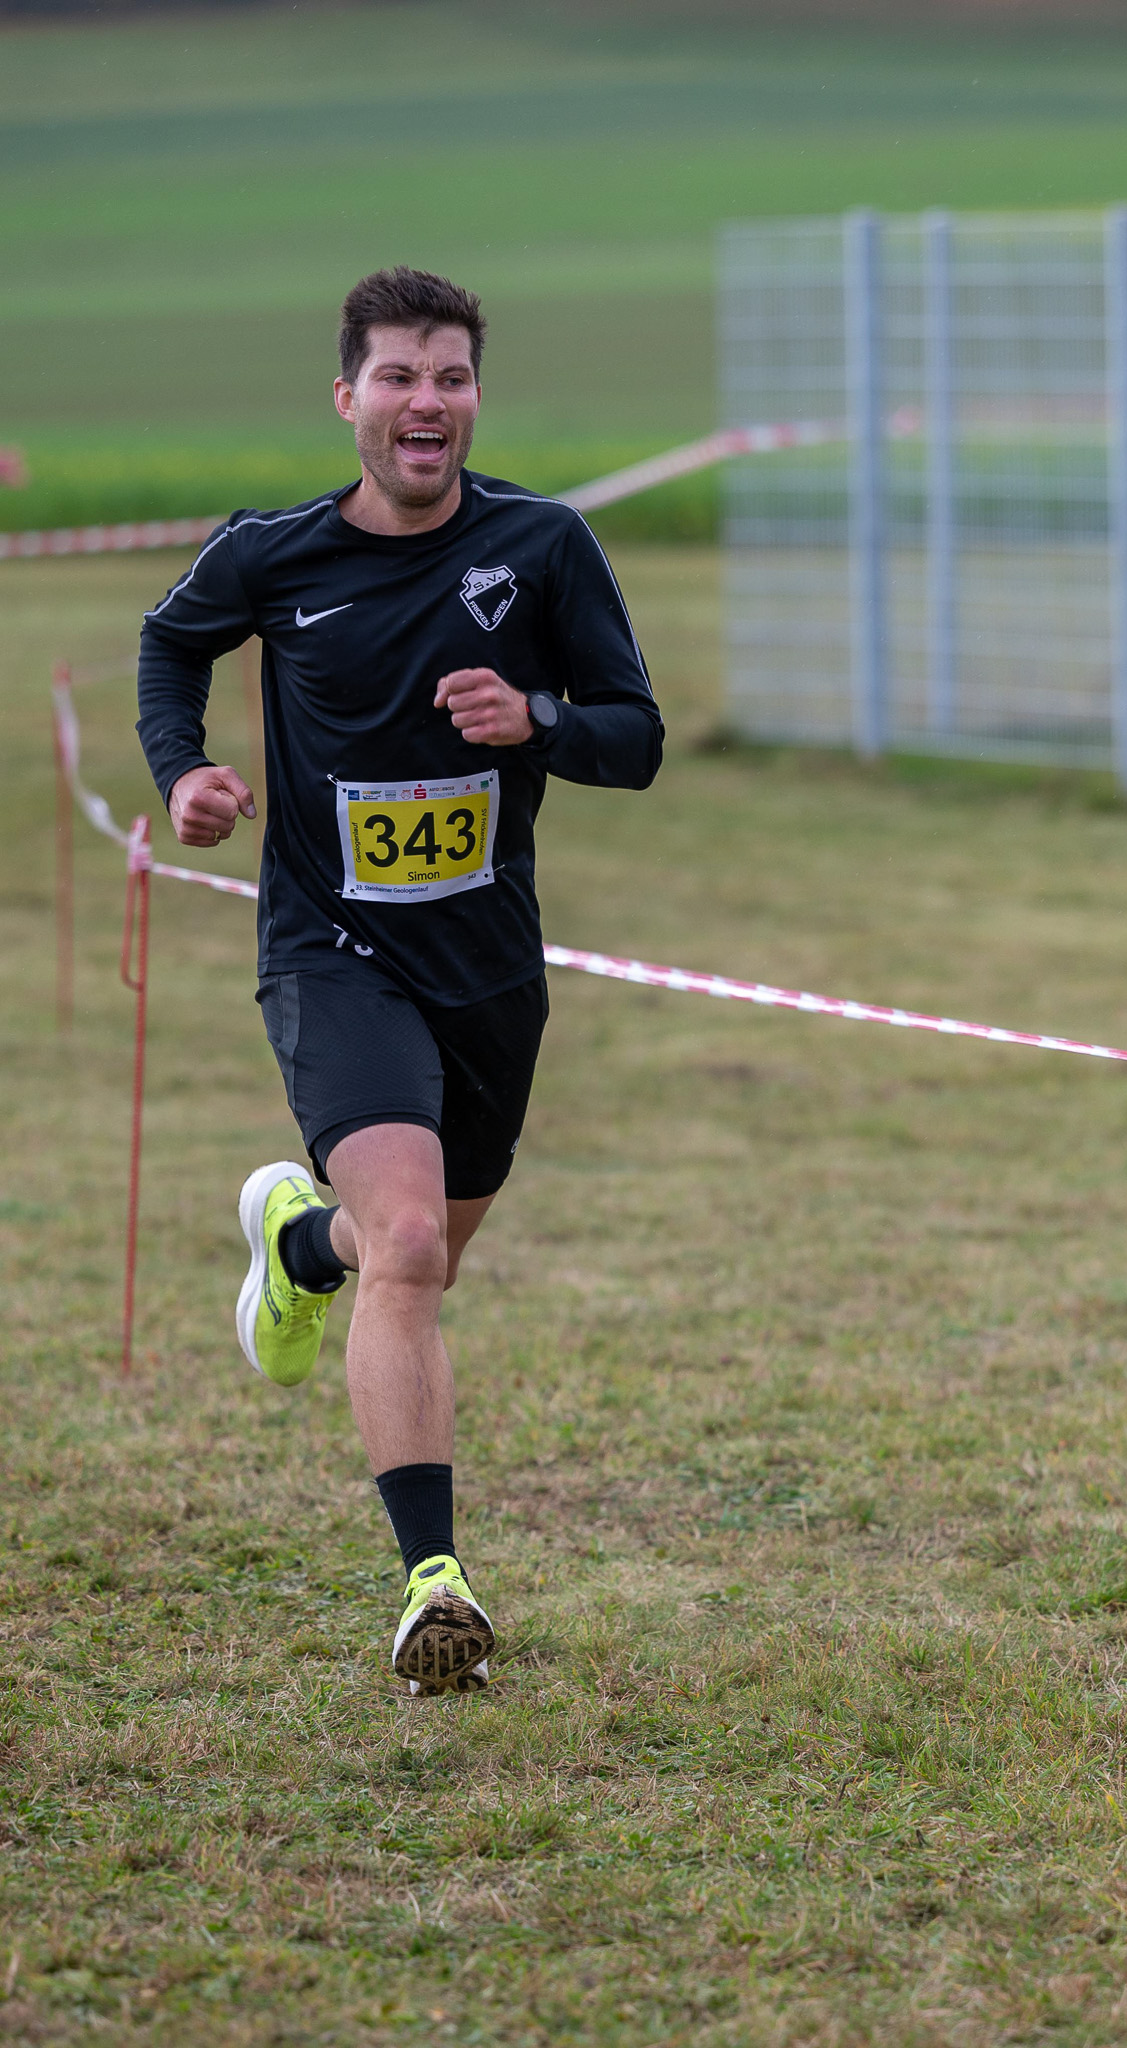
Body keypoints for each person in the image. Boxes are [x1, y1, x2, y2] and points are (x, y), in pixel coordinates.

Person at [137, 266, 663, 1696]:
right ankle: (437, 1583)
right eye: (399, 376)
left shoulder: (543, 546)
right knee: (416, 1244)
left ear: (473, 398)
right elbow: (172, 641)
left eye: (451, 377)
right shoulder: (273, 556)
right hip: (332, 951)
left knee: (406, 1258)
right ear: (348, 398)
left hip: (487, 968)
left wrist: (537, 718)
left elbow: (636, 737)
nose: (427, 402)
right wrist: (185, 770)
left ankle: (301, 1247)